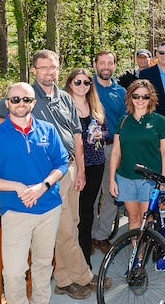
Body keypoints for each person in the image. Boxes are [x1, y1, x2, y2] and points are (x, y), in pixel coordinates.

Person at [0, 49, 95, 300]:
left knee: (69, 226)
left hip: (65, 168)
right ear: (34, 70)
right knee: (62, 228)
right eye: (43, 68)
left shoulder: (64, 97)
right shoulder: (25, 94)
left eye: (52, 67)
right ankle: (81, 276)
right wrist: (14, 122)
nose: (48, 72)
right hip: (39, 174)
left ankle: (64, 278)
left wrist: (80, 169)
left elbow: (76, 136)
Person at [0, 82, 68, 304]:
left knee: (43, 264)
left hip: (49, 207)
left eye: (26, 100)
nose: (21, 103)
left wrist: (43, 186)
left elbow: (62, 163)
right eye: (15, 99)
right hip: (15, 210)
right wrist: (16, 186)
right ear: (7, 103)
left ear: (33, 103)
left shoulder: (47, 130)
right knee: (14, 272)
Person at [108, 80, 165, 233]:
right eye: (136, 96)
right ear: (130, 97)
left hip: (149, 180)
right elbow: (116, 152)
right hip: (126, 177)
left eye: (145, 97)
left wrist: (163, 179)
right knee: (133, 218)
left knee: (147, 219)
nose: (140, 100)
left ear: (151, 98)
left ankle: (144, 253)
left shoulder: (159, 121)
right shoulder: (123, 122)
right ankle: (138, 256)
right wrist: (112, 180)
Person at [64, 68, 109, 268]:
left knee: (88, 209)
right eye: (78, 82)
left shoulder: (95, 105)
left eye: (87, 83)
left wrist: (102, 134)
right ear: (70, 84)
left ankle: (85, 259)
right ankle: (75, 260)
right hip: (74, 166)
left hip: (96, 162)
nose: (83, 86)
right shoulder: (64, 106)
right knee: (75, 212)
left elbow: (107, 130)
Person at [91, 50, 127, 255]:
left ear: (114, 66)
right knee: (91, 194)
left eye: (110, 63)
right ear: (95, 64)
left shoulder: (120, 92)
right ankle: (89, 234)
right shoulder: (85, 86)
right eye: (102, 63)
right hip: (90, 148)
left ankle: (102, 236)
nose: (106, 67)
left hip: (113, 147)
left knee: (112, 192)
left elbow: (124, 120)